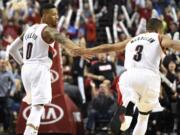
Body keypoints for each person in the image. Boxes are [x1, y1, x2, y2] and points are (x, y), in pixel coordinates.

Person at [76, 18, 180, 135]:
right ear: (160, 30)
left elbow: (109, 47)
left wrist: (88, 50)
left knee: (129, 107)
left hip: (128, 77)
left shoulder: (132, 39)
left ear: (147, 28)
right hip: (149, 78)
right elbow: (172, 44)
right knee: (143, 117)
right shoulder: (160, 37)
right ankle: (129, 108)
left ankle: (128, 107)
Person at [8, 3, 84, 135]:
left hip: (26, 70)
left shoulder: (29, 30)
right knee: (37, 108)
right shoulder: (48, 30)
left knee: (34, 107)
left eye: (57, 15)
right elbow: (63, 40)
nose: (56, 18)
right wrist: (79, 50)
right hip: (39, 69)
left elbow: (12, 49)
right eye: (53, 15)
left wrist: (23, 64)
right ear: (44, 16)